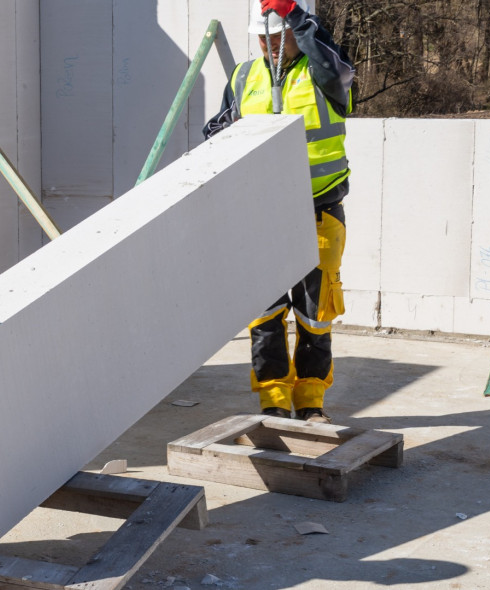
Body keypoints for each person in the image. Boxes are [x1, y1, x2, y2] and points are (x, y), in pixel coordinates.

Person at [203, 0, 354, 423]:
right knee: (264, 312)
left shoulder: (326, 73)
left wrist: (299, 21)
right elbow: (221, 125)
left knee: (315, 312)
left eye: (277, 34)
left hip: (318, 211)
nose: (269, 43)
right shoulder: (244, 76)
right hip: (260, 216)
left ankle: (310, 400)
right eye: (263, 35)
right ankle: (272, 398)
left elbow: (328, 61)